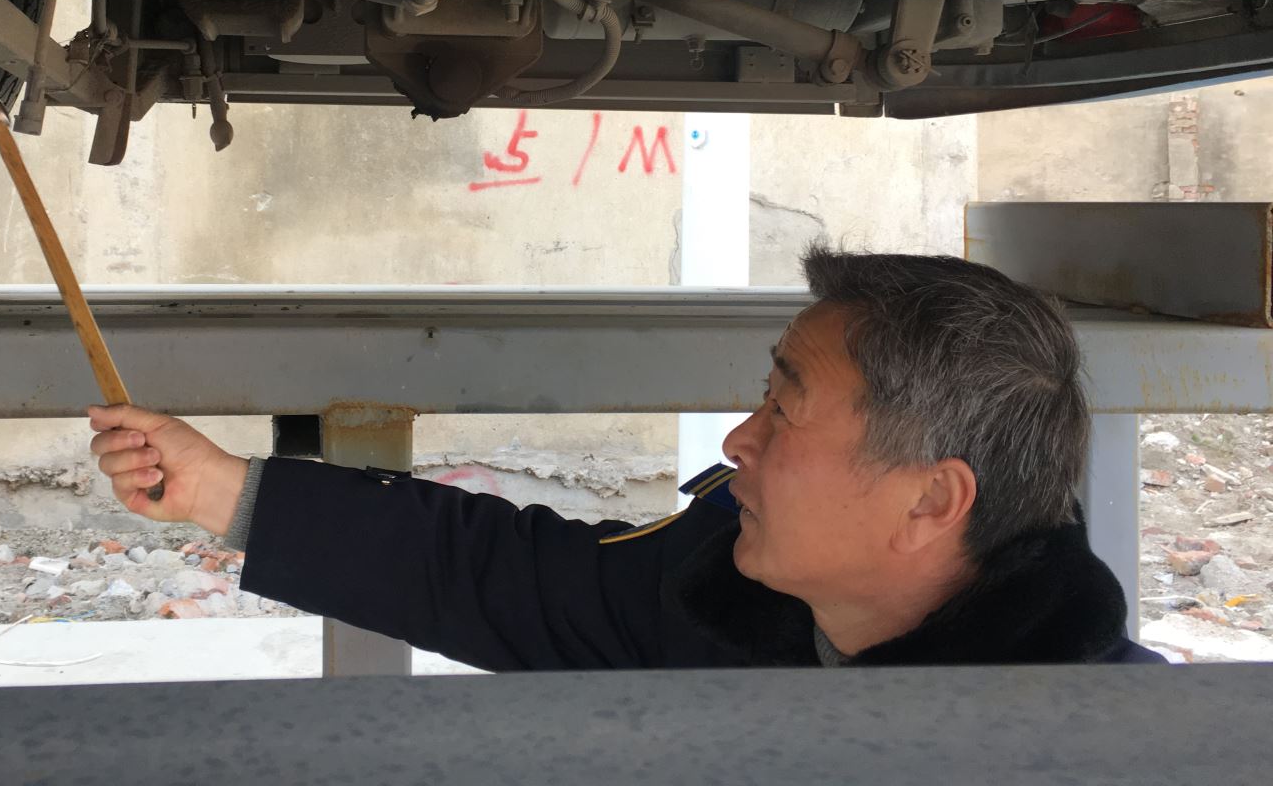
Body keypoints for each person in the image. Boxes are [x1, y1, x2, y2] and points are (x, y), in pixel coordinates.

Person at [88, 247, 1163, 668]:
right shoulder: (722, 599)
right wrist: (223, 489)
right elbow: (500, 577)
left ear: (931, 499)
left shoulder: (1124, 750)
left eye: (784, 411)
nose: (738, 439)